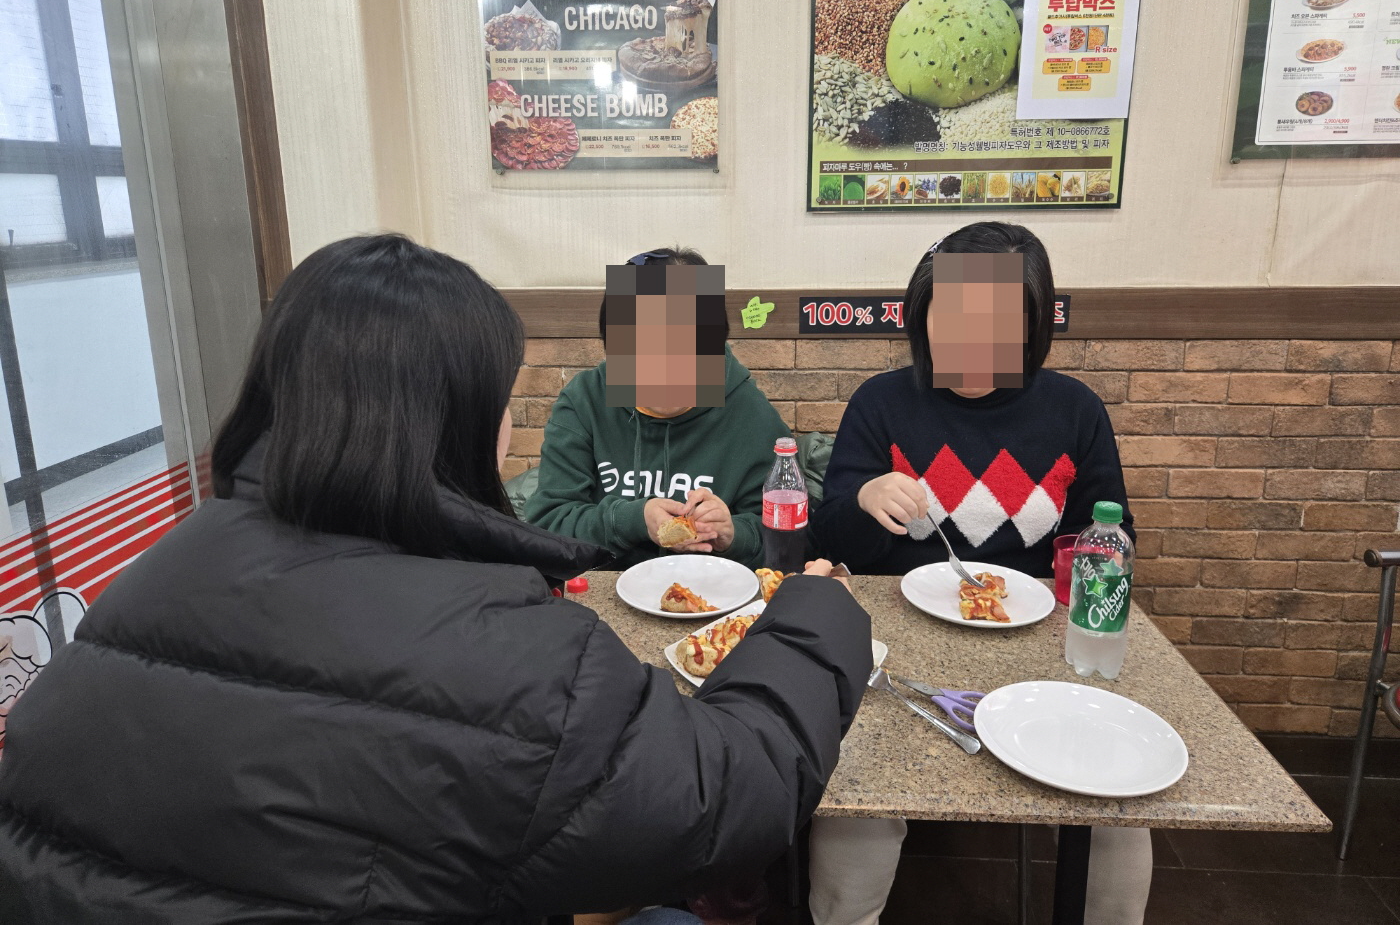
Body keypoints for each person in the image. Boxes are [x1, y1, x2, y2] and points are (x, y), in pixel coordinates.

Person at [0, 235, 872, 924]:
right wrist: (819, 612)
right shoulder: (508, 649)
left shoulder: (141, 581)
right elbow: (724, 798)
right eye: (499, 399)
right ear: (453, 418)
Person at [808, 222, 1149, 925]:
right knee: (854, 786)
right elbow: (834, 538)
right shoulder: (880, 402)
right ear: (922, 314)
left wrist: (1088, 571)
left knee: (1120, 806)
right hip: (896, 649)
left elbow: (1108, 538)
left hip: (1034, 650)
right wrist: (865, 500)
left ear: (1031, 323)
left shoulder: (1074, 410)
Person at [525, 247, 789, 570]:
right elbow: (547, 524)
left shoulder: (748, 412)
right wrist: (633, 519)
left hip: (712, 591)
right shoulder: (585, 401)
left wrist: (735, 534)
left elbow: (789, 543)